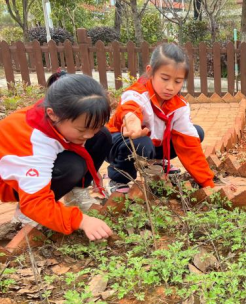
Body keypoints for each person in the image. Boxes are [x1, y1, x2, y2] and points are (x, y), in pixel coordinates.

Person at [0, 73, 113, 241]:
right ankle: (26, 217)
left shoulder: (62, 113)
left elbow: (91, 130)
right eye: (82, 130)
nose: (88, 135)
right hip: (11, 184)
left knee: (102, 136)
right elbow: (35, 203)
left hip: (40, 162)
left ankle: (75, 193)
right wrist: (81, 220)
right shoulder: (33, 143)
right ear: (52, 114)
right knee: (72, 166)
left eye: (93, 127)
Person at [107, 43, 215, 193]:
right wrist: (132, 123)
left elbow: (190, 146)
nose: (170, 87)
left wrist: (207, 184)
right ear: (150, 72)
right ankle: (118, 178)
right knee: (141, 143)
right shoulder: (137, 93)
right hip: (117, 143)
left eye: (177, 81)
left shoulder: (179, 106)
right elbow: (130, 109)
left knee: (195, 133)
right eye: (165, 78)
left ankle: (157, 162)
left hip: (152, 145)